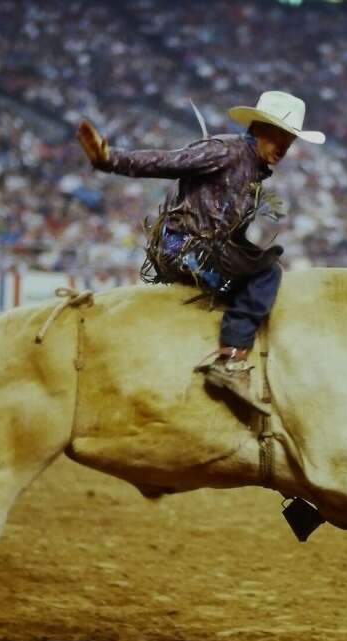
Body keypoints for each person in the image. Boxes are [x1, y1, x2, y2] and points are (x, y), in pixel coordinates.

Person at [76, 91, 324, 411]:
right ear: (261, 128)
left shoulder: (250, 167)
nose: (284, 148)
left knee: (256, 265)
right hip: (186, 251)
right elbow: (169, 161)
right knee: (268, 273)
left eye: (289, 141)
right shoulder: (227, 151)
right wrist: (110, 159)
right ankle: (231, 359)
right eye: (280, 137)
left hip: (192, 250)